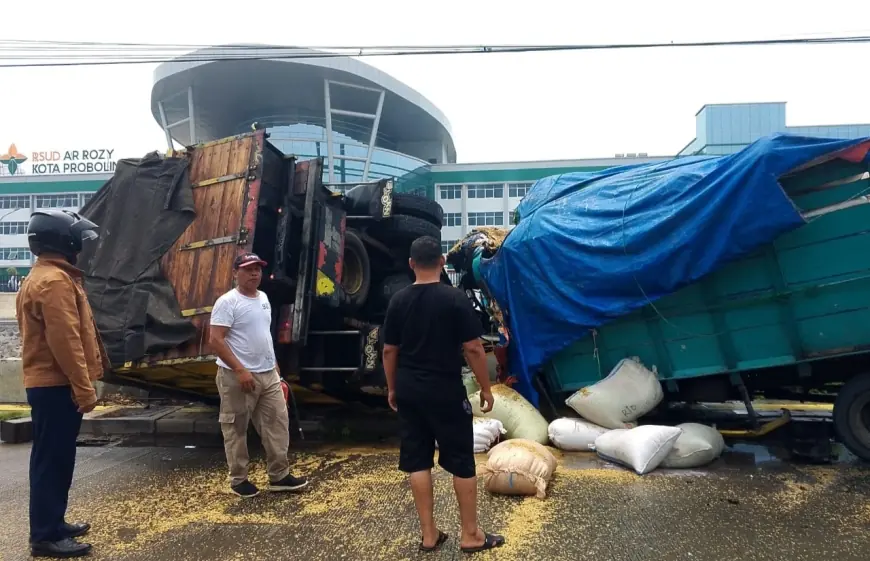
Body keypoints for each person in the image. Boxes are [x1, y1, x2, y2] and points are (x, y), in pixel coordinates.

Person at [382, 236, 506, 554]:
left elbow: (388, 351)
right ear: (441, 262)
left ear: (411, 264)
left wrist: (393, 387)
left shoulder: (398, 301)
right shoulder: (454, 300)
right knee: (462, 462)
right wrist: (487, 388)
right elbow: (474, 348)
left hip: (410, 390)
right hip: (446, 391)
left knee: (417, 461)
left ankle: (428, 535)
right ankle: (471, 535)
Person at [17, 209, 104, 558]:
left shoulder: (47, 276)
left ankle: (53, 522)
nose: (81, 246)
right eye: (77, 239)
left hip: (51, 383)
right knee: (52, 460)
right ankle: (45, 535)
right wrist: (84, 389)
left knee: (55, 458)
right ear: (63, 241)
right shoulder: (54, 282)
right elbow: (65, 341)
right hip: (56, 385)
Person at [209, 252, 308, 498]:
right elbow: (216, 341)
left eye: (258, 269)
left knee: (277, 422)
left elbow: (263, 335)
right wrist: (240, 370)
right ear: (235, 273)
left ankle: (279, 475)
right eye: (248, 269)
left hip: (267, 373)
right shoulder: (227, 302)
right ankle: (239, 478)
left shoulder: (263, 298)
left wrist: (274, 364)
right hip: (238, 376)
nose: (255, 273)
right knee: (236, 426)